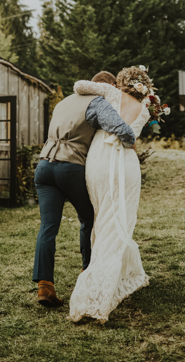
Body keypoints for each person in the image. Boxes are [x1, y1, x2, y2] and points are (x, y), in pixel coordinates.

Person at [33, 71, 136, 307]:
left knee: (48, 227)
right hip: (70, 168)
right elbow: (121, 129)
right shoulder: (98, 102)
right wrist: (133, 139)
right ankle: (88, 273)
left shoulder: (64, 102)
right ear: (107, 86)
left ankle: (44, 285)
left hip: (44, 167)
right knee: (91, 219)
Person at [68, 67, 153, 322]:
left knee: (102, 219)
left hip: (98, 162)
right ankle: (95, 293)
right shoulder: (146, 110)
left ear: (122, 82)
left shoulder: (110, 93)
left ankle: (111, 279)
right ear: (144, 87)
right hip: (125, 165)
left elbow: (78, 85)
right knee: (118, 223)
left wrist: (105, 89)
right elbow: (131, 139)